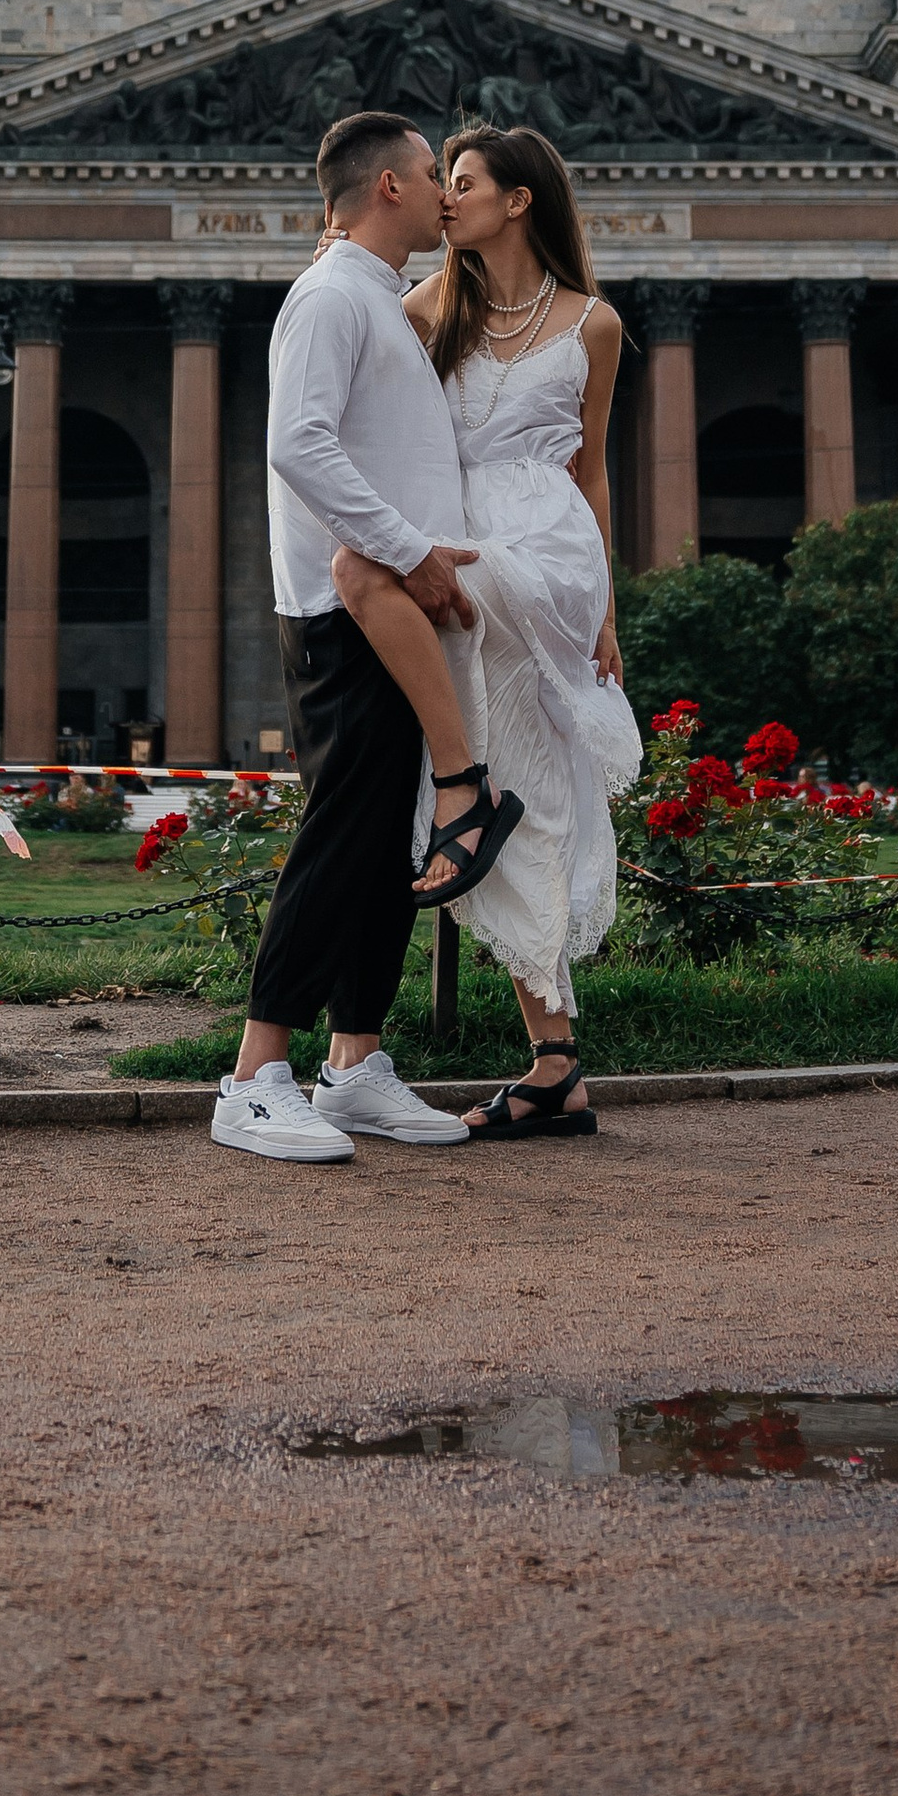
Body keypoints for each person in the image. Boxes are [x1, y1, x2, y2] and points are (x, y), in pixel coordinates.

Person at [212, 111, 520, 1165]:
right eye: (433, 172)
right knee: (341, 837)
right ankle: (254, 1078)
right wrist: (409, 551)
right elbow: (294, 442)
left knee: (387, 844)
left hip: (391, 608)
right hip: (349, 611)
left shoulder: (375, 301)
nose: (445, 191)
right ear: (386, 187)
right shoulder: (332, 294)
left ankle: (353, 1064)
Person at [331, 125, 637, 1140]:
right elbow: (344, 313)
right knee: (528, 793)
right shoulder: (430, 307)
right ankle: (555, 1063)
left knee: (524, 780)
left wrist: (605, 609)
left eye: (460, 184)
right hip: (463, 552)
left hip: (540, 561)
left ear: (518, 201)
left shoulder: (594, 323)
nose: (443, 199)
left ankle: (547, 1053)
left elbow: (590, 472)